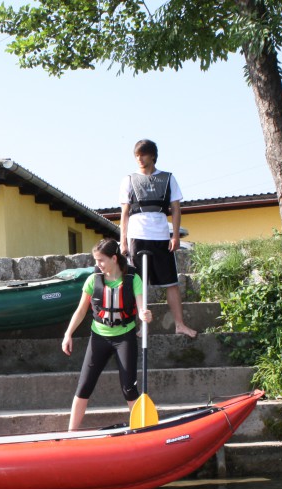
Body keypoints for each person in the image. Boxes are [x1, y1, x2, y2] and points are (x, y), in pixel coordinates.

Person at [61, 239, 152, 431]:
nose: (97, 265)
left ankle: (143, 432)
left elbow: (142, 307)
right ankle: (71, 434)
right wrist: (68, 334)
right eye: (96, 260)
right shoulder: (92, 280)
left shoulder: (133, 280)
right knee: (84, 387)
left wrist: (146, 315)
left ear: (113, 258)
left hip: (124, 338)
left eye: (101, 260)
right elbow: (80, 311)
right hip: (98, 338)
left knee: (129, 388)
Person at [119, 139, 197, 338]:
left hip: (161, 236)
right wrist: (124, 241)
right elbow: (125, 213)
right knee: (138, 283)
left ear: (152, 155)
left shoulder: (168, 178)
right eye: (137, 155)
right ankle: (141, 326)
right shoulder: (129, 179)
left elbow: (176, 209)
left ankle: (179, 324)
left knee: (171, 282)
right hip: (136, 235)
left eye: (143, 154)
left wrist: (175, 235)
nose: (140, 159)